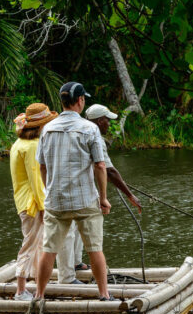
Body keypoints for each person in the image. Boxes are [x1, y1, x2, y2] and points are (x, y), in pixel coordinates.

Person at [35, 82, 114, 300]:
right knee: (94, 249)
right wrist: (104, 199)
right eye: (84, 99)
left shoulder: (47, 129)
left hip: (56, 202)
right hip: (85, 200)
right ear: (80, 101)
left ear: (62, 102)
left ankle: (39, 295)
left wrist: (49, 189)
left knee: (49, 250)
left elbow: (42, 166)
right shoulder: (90, 128)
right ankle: (104, 294)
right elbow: (100, 165)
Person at [56, 104, 143, 273]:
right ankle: (71, 271)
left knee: (73, 227)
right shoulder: (94, 135)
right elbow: (108, 170)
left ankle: (76, 263)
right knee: (82, 229)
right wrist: (130, 195)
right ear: (99, 120)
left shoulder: (74, 131)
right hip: (82, 191)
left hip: (66, 188)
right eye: (107, 121)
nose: (109, 125)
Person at [9, 103, 58, 301]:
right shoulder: (32, 146)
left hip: (25, 201)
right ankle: (20, 290)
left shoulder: (19, 144)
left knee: (36, 244)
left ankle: (37, 287)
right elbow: (37, 181)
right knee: (30, 245)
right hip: (32, 204)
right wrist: (45, 207)